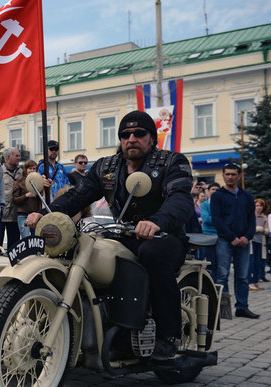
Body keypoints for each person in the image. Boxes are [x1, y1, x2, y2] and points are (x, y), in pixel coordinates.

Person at [27, 110, 194, 360]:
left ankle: (167, 335)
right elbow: (78, 196)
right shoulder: (107, 166)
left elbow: (180, 199)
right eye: (125, 134)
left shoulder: (172, 161)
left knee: (152, 254)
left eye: (139, 133)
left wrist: (156, 222)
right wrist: (45, 213)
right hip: (122, 234)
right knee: (86, 252)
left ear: (151, 138)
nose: (132, 139)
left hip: (163, 237)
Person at [210, 163, 258, 318]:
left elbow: (252, 220)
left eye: (233, 174)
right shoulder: (218, 196)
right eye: (227, 174)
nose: (230, 177)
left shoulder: (247, 196)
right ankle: (222, 309)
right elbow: (217, 220)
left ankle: (242, 307)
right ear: (223, 175)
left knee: (242, 276)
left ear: (239, 176)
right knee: (222, 275)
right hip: (225, 241)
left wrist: (246, 237)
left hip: (244, 242)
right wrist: (232, 237)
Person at [13, 160, 44, 238]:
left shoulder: (38, 181)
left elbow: (42, 198)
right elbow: (15, 200)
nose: (32, 171)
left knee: (36, 238)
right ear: (25, 169)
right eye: (30, 168)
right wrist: (26, 195)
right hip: (23, 214)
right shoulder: (19, 181)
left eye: (34, 169)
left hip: (35, 214)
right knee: (26, 238)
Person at [0, 147, 22, 248]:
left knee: (14, 246)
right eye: (16, 156)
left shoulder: (21, 172)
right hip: (2, 214)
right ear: (8, 157)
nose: (19, 158)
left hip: (16, 215)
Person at [200, 182, 220, 278]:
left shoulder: (223, 204)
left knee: (221, 263)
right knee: (211, 262)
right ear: (208, 191)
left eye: (217, 190)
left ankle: (221, 287)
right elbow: (206, 219)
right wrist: (220, 220)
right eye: (213, 189)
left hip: (221, 236)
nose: (215, 191)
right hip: (209, 236)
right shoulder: (204, 205)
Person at [248, 199, 268, 291]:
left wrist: (263, 230)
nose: (259, 207)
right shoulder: (251, 216)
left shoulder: (264, 217)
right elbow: (250, 228)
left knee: (258, 262)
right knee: (251, 263)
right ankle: (250, 282)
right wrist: (259, 228)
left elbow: (267, 230)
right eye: (257, 205)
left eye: (260, 206)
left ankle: (255, 282)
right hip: (252, 242)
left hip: (261, 242)